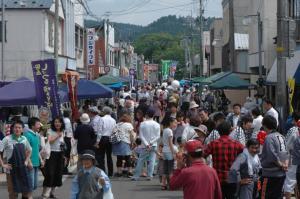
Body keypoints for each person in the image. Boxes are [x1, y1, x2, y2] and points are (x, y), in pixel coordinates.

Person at [204, 121, 244, 199]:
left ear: (218, 132)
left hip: (218, 178)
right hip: (232, 178)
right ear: (230, 131)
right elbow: (245, 154)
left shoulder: (213, 144)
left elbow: (202, 155)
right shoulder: (236, 144)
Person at [0, 120, 33, 199]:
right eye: (15, 127)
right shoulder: (7, 139)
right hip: (11, 171)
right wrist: (2, 164)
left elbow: (29, 150)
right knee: (13, 193)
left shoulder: (24, 139)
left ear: (22, 129)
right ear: (12, 129)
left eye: (19, 127)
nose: (17, 129)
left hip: (23, 169)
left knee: (25, 191)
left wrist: (26, 161)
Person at [260, 115, 288, 199]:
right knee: (278, 196)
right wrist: (285, 165)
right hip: (281, 174)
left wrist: (281, 165)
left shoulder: (269, 138)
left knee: (265, 196)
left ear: (265, 125)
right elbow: (286, 153)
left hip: (270, 174)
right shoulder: (281, 136)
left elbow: (272, 156)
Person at [132, 107, 160, 181]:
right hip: (153, 144)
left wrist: (147, 144)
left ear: (147, 115)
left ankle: (136, 176)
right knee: (152, 160)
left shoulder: (143, 124)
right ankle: (150, 175)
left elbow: (141, 135)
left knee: (141, 160)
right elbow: (158, 136)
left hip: (144, 145)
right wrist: (151, 143)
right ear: (153, 115)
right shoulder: (157, 124)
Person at [42, 117, 65, 199]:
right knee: (49, 174)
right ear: (53, 123)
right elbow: (50, 141)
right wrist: (57, 136)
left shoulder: (63, 131)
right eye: (55, 122)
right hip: (51, 154)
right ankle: (45, 193)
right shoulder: (50, 131)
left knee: (58, 174)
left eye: (59, 122)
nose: (57, 123)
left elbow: (62, 144)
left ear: (62, 123)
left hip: (60, 154)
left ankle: (52, 192)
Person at [112, 112, 135, 177]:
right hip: (126, 142)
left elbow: (113, 132)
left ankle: (119, 172)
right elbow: (131, 135)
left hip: (117, 143)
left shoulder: (117, 124)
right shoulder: (129, 125)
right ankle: (129, 171)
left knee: (119, 158)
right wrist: (132, 142)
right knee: (128, 158)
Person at [23, 117, 43, 192]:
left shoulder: (37, 135)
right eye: (38, 124)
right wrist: (29, 162)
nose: (40, 126)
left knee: (34, 185)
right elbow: (25, 150)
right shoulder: (27, 135)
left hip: (36, 163)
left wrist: (41, 160)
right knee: (30, 185)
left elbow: (37, 149)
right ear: (32, 126)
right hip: (30, 163)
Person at [284, 112, 300, 199]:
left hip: (293, 158)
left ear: (294, 119)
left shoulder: (293, 129)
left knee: (289, 182)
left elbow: (287, 146)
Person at [98, 107, 116, 177]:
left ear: (104, 112)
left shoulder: (101, 119)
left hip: (103, 138)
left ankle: (103, 171)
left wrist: (97, 141)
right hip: (110, 138)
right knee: (109, 156)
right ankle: (110, 172)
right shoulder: (113, 120)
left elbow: (100, 131)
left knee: (101, 156)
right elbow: (114, 130)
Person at [161, 116, 177, 190]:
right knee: (170, 169)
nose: (175, 124)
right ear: (170, 123)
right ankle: (172, 185)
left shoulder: (165, 130)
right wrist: (173, 153)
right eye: (174, 122)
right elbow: (170, 143)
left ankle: (163, 185)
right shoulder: (170, 131)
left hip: (164, 150)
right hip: (169, 151)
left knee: (165, 169)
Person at [63, 110, 73, 175]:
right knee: (67, 154)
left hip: (64, 138)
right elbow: (67, 130)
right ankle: (65, 169)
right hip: (66, 138)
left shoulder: (63, 120)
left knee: (64, 154)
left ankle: (64, 168)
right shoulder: (67, 121)